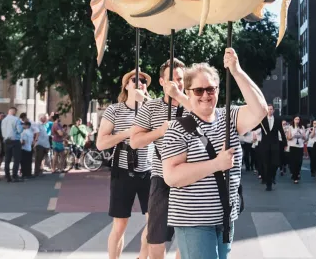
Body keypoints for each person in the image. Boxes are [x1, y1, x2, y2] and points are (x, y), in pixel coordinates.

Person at [162, 49, 268, 259]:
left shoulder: (229, 117)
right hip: (194, 221)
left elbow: (260, 110)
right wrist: (216, 164)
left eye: (210, 89)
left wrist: (236, 71)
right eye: (198, 90)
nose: (205, 95)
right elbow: (171, 176)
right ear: (188, 92)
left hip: (225, 217)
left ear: (218, 90)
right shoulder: (177, 128)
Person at [130, 58, 187, 259]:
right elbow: (135, 142)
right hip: (161, 177)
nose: (176, 83)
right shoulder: (151, 108)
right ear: (162, 82)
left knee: (187, 236)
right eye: (171, 79)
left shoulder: (193, 105)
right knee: (155, 236)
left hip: (190, 179)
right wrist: (159, 132)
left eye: (180, 78)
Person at [97, 70, 153, 259]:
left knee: (153, 222)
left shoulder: (153, 108)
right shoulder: (115, 110)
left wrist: (147, 102)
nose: (140, 83)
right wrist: (127, 133)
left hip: (149, 171)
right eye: (135, 79)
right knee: (120, 224)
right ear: (126, 85)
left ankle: (142, 257)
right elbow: (101, 143)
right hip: (122, 171)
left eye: (144, 81)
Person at [252, 105, 286, 191]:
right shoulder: (262, 120)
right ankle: (268, 184)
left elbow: (281, 131)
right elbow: (254, 127)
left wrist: (285, 143)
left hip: (275, 145)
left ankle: (272, 176)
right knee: (266, 164)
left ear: (273, 110)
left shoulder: (278, 120)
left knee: (275, 164)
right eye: (268, 109)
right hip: (265, 145)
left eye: (271, 109)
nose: (270, 111)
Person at [1, 106, 23, 183]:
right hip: (15, 140)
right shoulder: (16, 119)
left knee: (7, 159)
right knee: (16, 159)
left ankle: (7, 176)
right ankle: (14, 175)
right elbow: (20, 130)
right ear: (14, 112)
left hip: (6, 140)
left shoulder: (4, 120)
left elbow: (3, 131)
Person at [286, 117, 306, 184]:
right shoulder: (290, 127)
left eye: (298, 119)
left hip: (300, 146)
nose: (297, 121)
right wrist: (294, 135)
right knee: (293, 162)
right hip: (293, 146)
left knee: (299, 162)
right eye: (296, 119)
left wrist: (300, 133)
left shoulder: (302, 127)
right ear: (293, 120)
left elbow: (305, 138)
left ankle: (297, 173)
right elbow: (288, 138)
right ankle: (295, 177)